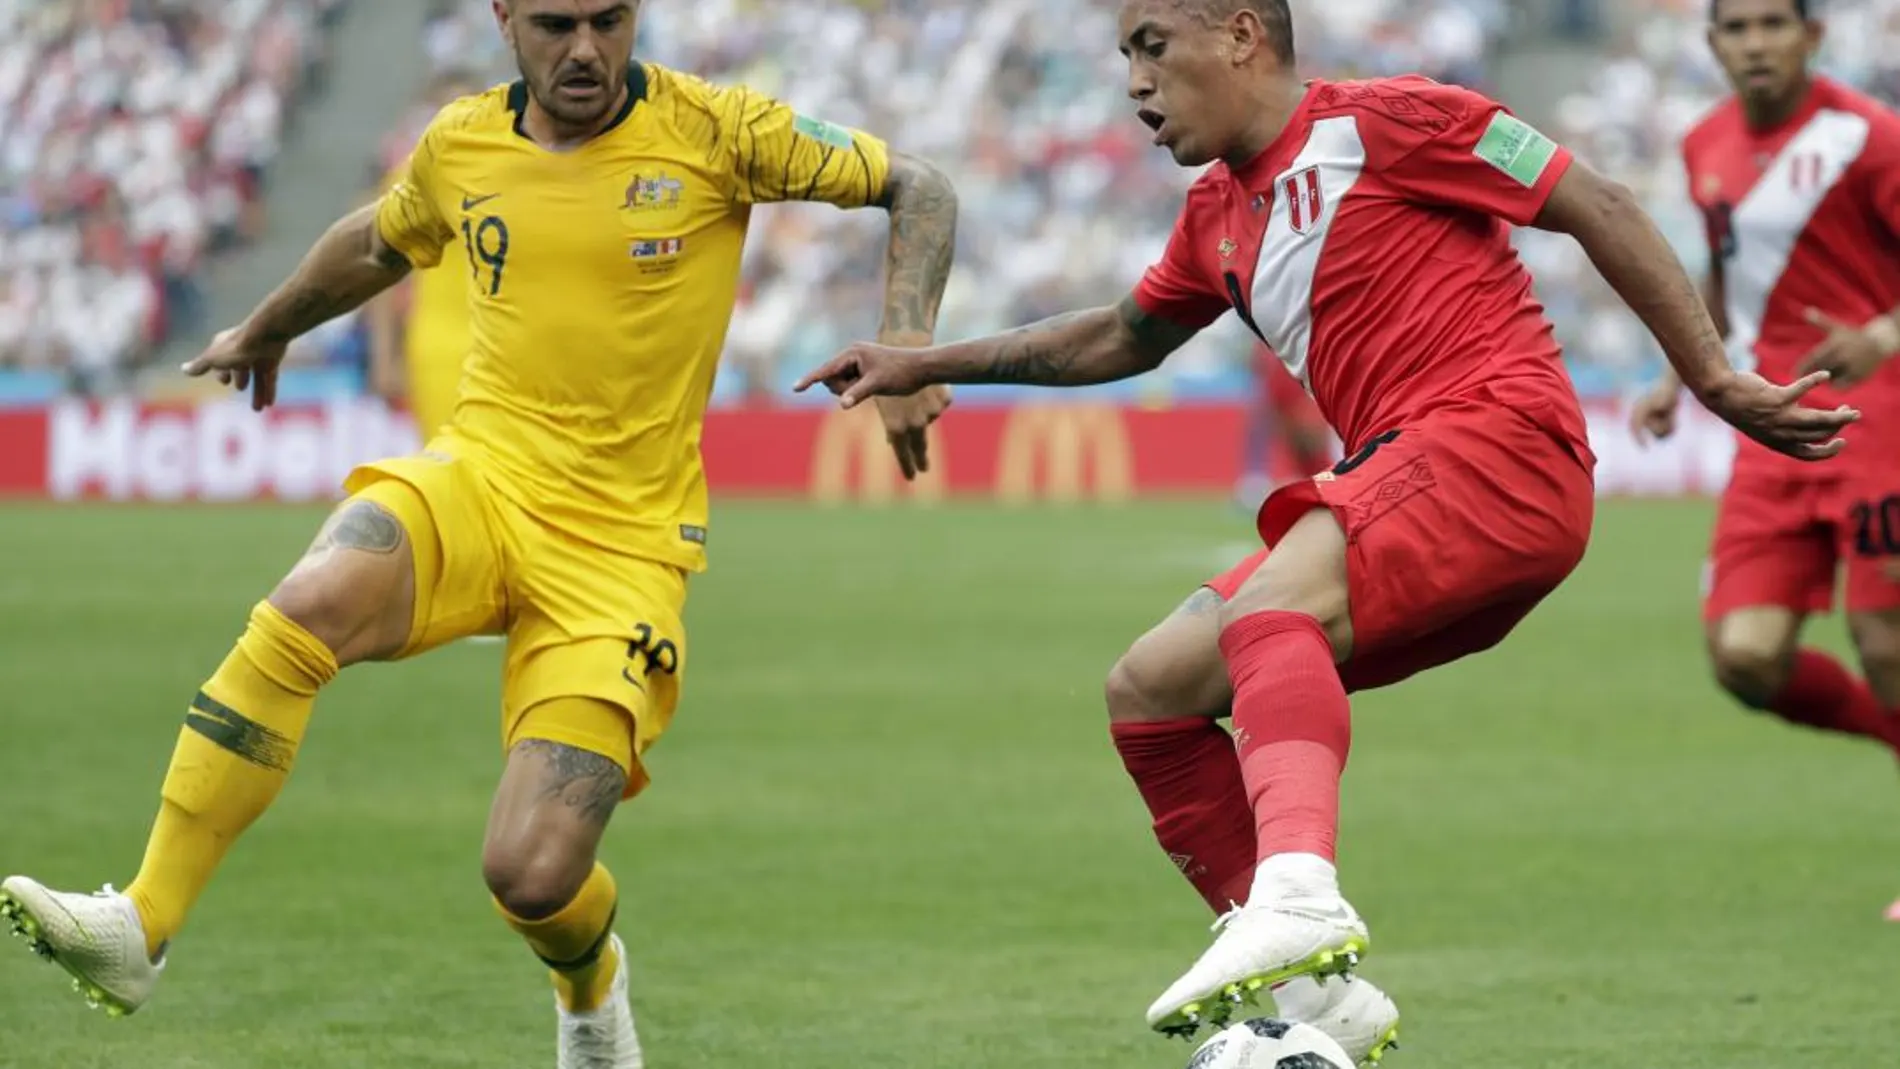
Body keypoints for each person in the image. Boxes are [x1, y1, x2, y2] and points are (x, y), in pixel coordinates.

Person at [796, 0, 1857, 1055]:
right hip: (1417, 481)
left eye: (1153, 48)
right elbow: (1124, 336)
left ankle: (1298, 895)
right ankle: (1315, 998)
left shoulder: (1393, 119)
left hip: (1500, 442)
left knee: (1268, 606)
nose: (1132, 85)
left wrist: (1710, 375)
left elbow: (1598, 201)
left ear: (1243, 35)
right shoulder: (1214, 215)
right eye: (1124, 57)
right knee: (1152, 689)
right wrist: (926, 362)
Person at [0, 3, 956, 1067]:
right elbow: (376, 239)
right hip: (482, 482)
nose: (586, 48)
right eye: (556, 22)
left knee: (532, 875)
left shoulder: (718, 130)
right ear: (504, 16)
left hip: (621, 549)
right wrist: (268, 326)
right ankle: (143, 920)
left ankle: (592, 990)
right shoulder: (462, 143)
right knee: (312, 596)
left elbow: (918, 183)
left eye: (609, 19)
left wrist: (910, 344)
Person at [1626, 0, 1900, 921]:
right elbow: (1721, 270)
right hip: (1773, 425)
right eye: (1735, 28)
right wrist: (1681, 370)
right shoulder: (1705, 143)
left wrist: (1884, 331)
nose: (1754, 44)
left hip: (1881, 414)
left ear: (1812, 37)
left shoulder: (1868, 138)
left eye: (1772, 25)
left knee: (1885, 643)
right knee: (1744, 656)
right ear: (1711, 45)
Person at [364, 68, 487, 444]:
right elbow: (384, 270)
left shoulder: (514, 175)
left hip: (506, 347)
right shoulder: (409, 178)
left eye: (466, 108)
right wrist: (384, 355)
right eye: (447, 108)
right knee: (446, 465)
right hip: (438, 346)